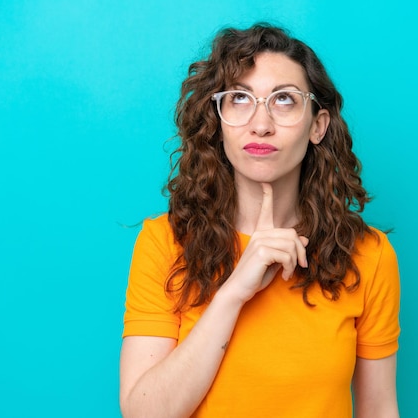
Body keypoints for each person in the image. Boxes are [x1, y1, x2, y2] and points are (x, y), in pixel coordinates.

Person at [119, 23, 401, 418]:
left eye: (284, 100)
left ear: (317, 125)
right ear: (218, 121)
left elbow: (379, 409)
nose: (261, 123)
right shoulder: (164, 243)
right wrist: (234, 293)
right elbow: (144, 413)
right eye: (240, 98)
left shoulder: (368, 256)